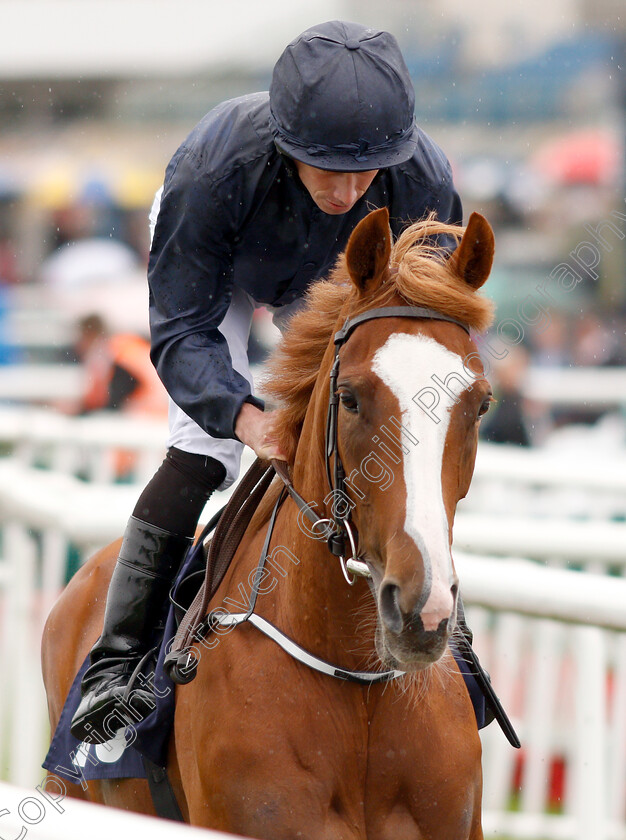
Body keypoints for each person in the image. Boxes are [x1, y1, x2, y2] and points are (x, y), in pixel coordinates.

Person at [70, 20, 465, 739]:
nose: (347, 191)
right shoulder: (211, 171)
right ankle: (117, 660)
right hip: (220, 269)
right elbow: (183, 332)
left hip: (337, 279)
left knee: (395, 428)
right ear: (287, 147)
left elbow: (431, 334)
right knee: (205, 453)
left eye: (364, 171)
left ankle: (431, 603)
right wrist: (247, 417)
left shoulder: (421, 181)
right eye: (327, 169)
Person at [73, 313, 168, 417]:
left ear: (89, 334)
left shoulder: (106, 353)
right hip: (165, 410)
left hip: (145, 414)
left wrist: (78, 411)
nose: (77, 344)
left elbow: (111, 398)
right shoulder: (125, 342)